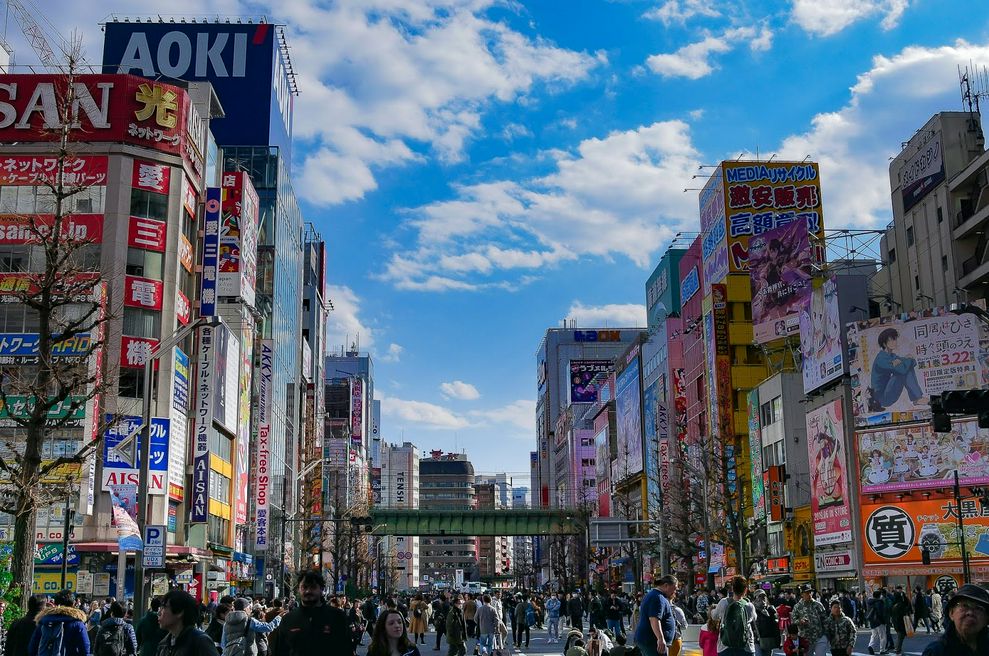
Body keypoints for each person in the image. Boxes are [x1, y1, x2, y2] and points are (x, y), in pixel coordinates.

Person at [270, 572, 352, 656]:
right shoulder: (288, 619)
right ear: (298, 589)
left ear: (321, 589)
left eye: (313, 587)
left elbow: (346, 649)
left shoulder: (337, 617)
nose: (308, 591)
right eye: (304, 587)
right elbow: (280, 651)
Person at [868, 328, 926, 411]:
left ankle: (917, 398)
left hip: (889, 391)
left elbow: (913, 362)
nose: (894, 342)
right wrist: (905, 359)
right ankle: (917, 398)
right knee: (903, 371)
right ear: (884, 344)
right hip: (882, 398)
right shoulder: (881, 359)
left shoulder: (892, 356)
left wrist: (902, 360)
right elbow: (903, 369)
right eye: (891, 340)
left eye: (895, 339)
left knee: (906, 368)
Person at [923, 583, 989, 656]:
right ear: (951, 613)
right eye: (964, 605)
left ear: (986, 618)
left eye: (978, 608)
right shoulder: (936, 651)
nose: (970, 612)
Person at [153, 590, 219, 656]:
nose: (159, 613)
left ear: (179, 611)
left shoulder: (200, 641)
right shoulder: (164, 644)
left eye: (164, 607)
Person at [29, 590, 90, 656]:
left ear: (55, 604)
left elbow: (32, 648)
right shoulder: (77, 624)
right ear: (73, 604)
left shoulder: (44, 621)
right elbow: (85, 650)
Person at [711, 575, 757, 656]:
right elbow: (754, 619)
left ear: (732, 589)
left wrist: (712, 610)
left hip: (725, 646)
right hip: (746, 646)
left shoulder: (723, 602)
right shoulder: (749, 606)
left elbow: (714, 616)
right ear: (745, 590)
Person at [634, 574, 677, 656]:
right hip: (652, 642)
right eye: (674, 588)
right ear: (666, 585)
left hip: (651, 641)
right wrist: (660, 639)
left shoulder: (655, 595)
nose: (675, 591)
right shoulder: (657, 597)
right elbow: (654, 619)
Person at [789, 585, 827, 656]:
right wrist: (800, 621)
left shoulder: (818, 605)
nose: (809, 594)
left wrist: (826, 634)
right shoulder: (797, 606)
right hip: (805, 638)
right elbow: (793, 620)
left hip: (819, 636)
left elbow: (824, 619)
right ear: (802, 594)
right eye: (806, 593)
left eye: (810, 592)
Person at [889, 590, 912, 655]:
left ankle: (897, 648)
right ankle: (898, 650)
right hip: (901, 623)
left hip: (895, 622)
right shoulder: (901, 605)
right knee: (900, 637)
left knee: (900, 636)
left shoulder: (894, 604)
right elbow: (905, 610)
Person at [866, 590, 887, 656]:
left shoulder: (870, 602)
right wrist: (884, 621)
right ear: (879, 595)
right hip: (879, 621)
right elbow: (881, 613)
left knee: (874, 635)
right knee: (883, 636)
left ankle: (871, 646)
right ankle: (882, 650)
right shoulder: (880, 602)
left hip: (872, 621)